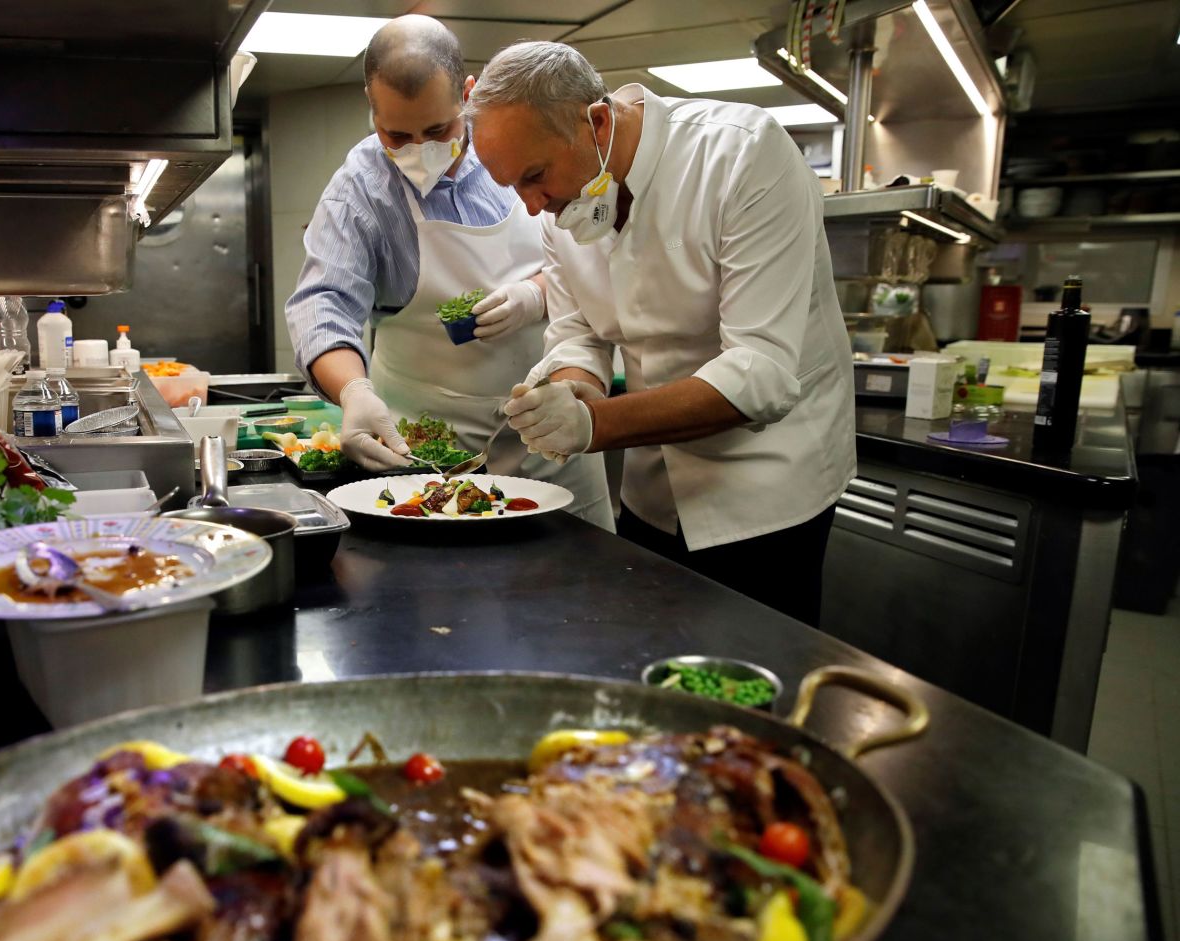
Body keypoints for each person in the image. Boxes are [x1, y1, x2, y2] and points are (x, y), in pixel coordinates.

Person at [464, 41, 855, 625]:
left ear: (595, 122)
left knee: (749, 680)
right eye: (513, 188)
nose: (532, 206)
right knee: (650, 656)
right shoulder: (565, 210)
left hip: (765, 486)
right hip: (651, 487)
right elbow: (579, 335)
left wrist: (595, 424)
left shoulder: (742, 156)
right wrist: (572, 392)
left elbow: (760, 373)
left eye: (535, 177)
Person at [285, 16, 612, 529]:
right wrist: (353, 391)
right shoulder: (361, 191)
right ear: (371, 111)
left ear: (467, 93)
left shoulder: (517, 149)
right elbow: (322, 303)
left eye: (439, 129)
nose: (421, 148)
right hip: (429, 456)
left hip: (554, 435)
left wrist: (537, 294)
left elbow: (591, 258)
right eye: (397, 135)